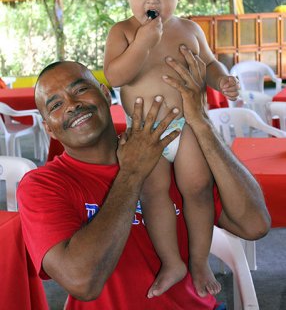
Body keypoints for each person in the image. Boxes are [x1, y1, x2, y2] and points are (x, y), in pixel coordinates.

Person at [17, 56, 270, 310]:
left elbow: (254, 224)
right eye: (56, 105)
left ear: (106, 94)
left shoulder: (171, 153)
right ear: (48, 128)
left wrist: (201, 122)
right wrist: (132, 174)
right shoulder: (43, 185)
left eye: (81, 90)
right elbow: (82, 282)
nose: (72, 105)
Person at [104, 0, 240, 298]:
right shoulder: (122, 32)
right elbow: (115, 76)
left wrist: (221, 79)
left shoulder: (190, 30)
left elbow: (209, 64)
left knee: (197, 188)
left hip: (187, 127)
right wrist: (143, 44)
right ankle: (171, 261)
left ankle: (198, 260)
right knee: (152, 192)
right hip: (146, 132)